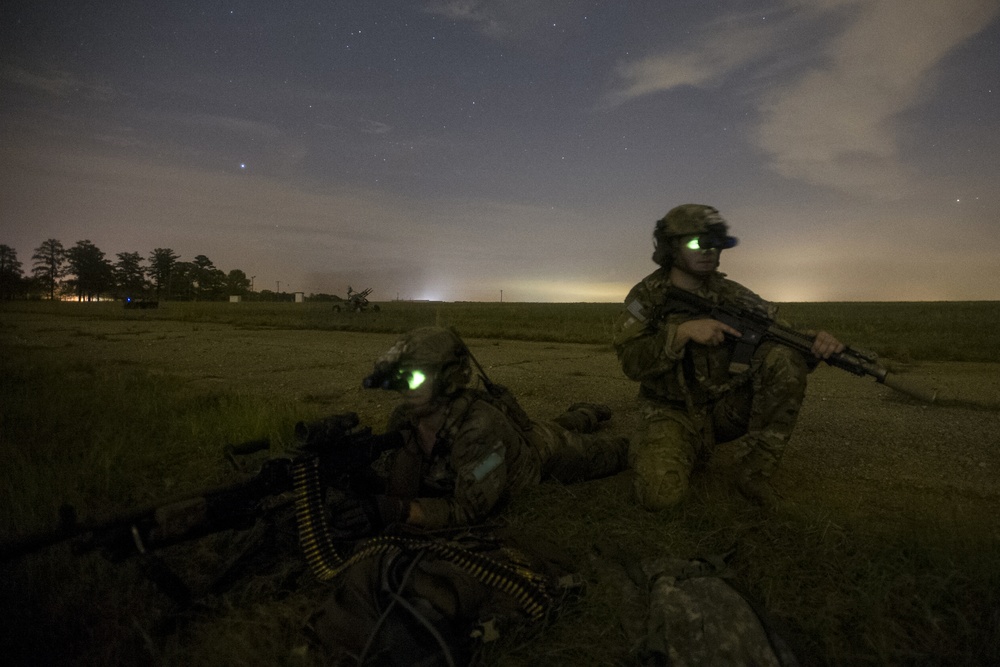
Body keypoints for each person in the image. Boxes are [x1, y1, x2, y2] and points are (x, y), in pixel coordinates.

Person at [613, 204, 844, 510]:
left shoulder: (734, 295)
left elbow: (782, 333)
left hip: (723, 410)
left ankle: (753, 476)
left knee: (783, 359)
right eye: (697, 242)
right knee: (659, 497)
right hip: (670, 411)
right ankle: (677, 447)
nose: (709, 250)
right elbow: (631, 362)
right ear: (672, 247)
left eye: (716, 242)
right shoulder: (647, 297)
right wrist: (681, 333)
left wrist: (815, 342)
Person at [336, 326, 629, 533]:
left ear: (446, 379)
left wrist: (400, 512)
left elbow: (469, 510)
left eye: (414, 377)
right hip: (513, 436)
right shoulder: (406, 416)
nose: (404, 387)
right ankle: (585, 413)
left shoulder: (478, 429)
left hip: (537, 455)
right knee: (558, 423)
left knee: (599, 452)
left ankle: (602, 424)